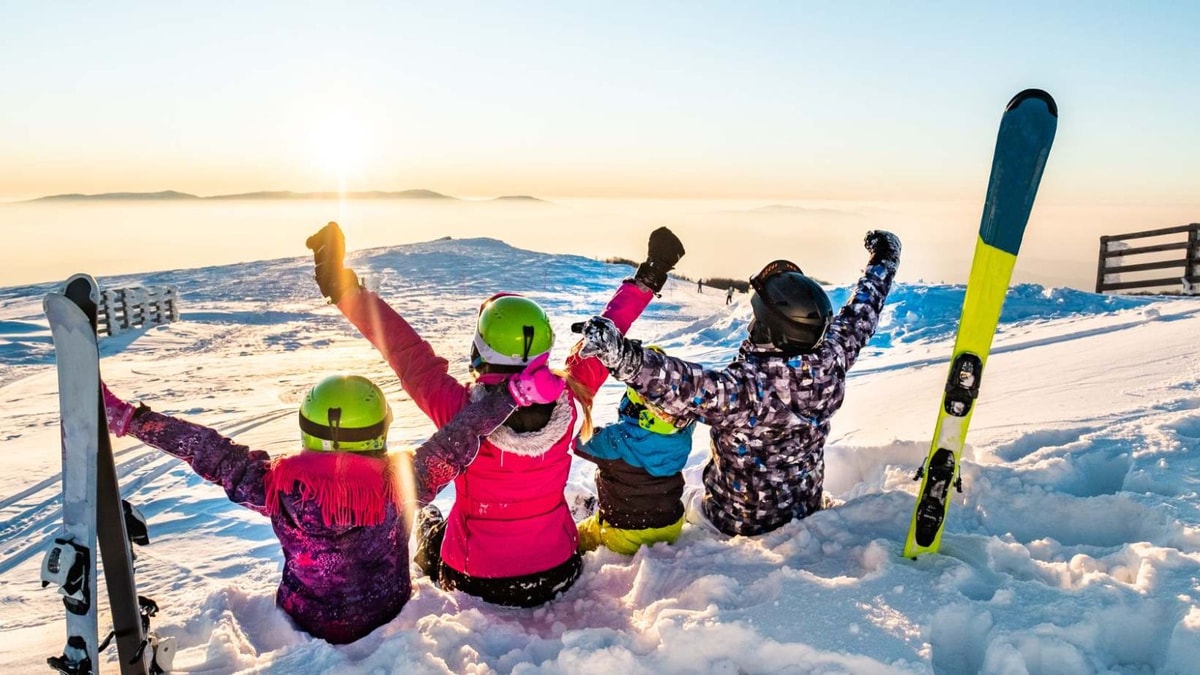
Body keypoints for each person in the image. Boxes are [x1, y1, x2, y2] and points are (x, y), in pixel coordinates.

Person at [305, 222, 684, 606]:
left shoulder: (459, 411)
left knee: (430, 526)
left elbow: (405, 351)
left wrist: (344, 290)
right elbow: (606, 336)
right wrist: (649, 276)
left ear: (481, 349)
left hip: (476, 577)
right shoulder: (570, 398)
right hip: (558, 568)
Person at [99, 364, 562, 644]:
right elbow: (459, 439)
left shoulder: (275, 486)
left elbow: (207, 450)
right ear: (380, 429)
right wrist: (511, 396)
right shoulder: (402, 484)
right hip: (387, 611)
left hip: (307, 618)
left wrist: (132, 420)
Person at [577, 230, 901, 537]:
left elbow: (681, 385)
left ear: (769, 327)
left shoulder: (748, 390)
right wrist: (884, 259)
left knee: (676, 504)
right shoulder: (832, 356)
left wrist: (619, 353)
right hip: (804, 507)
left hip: (735, 521)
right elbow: (863, 310)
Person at [574, 346, 697, 555]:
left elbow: (577, 440)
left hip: (624, 534)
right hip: (671, 525)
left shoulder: (615, 441)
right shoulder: (681, 434)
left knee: (578, 536)